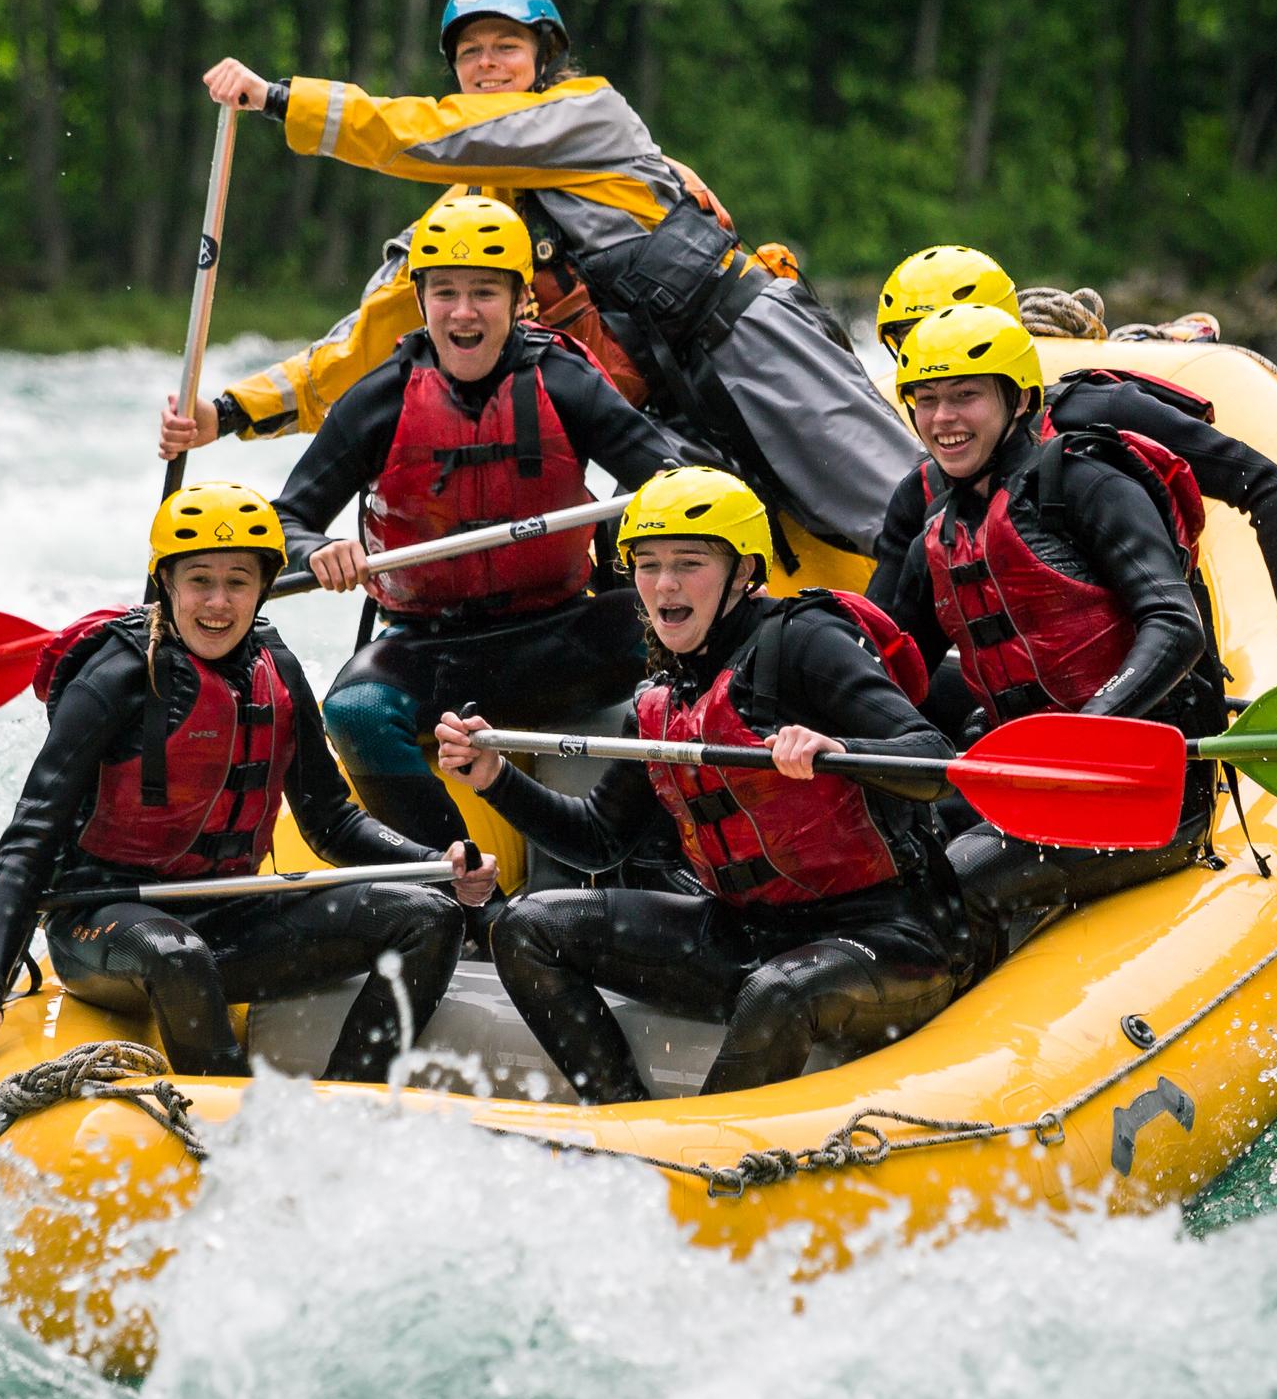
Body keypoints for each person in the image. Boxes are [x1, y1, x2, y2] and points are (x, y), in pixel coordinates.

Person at [159, 0, 917, 556]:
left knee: (889, 506)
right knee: (697, 548)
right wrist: (226, 413)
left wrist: (280, 99)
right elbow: (369, 337)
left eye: (506, 49)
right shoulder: (469, 216)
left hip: (745, 338)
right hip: (664, 407)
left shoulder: (590, 114)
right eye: (471, 54)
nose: (487, 66)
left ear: (543, 59)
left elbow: (416, 133)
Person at [433, 467, 968, 1105]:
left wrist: (842, 750)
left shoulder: (806, 641)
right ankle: (623, 1122)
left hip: (887, 936)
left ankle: (700, 1165)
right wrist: (495, 778)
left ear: (744, 572)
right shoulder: (661, 697)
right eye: (647, 563)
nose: (664, 584)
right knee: (528, 926)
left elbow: (933, 760)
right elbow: (600, 840)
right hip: (745, 932)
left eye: (690, 563)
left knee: (777, 991)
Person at [0, 484, 494, 1085]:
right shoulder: (117, 678)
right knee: (177, 955)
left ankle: (349, 1107)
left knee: (429, 916)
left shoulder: (277, 670)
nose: (217, 602)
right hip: (105, 923)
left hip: (229, 913)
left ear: (262, 587)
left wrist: (433, 863)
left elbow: (330, 819)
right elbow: (31, 838)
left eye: (237, 580)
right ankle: (236, 1136)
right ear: (167, 585)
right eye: (198, 580)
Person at [268, 193, 704, 849]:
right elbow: (285, 521)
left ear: (519, 299)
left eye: (484, 293)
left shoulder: (566, 383)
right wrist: (319, 549)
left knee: (694, 647)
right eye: (445, 292)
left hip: (565, 634)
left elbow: (675, 481)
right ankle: (457, 882)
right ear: (420, 302)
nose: (464, 312)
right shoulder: (379, 402)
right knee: (354, 710)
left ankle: (659, 857)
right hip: (429, 649)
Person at [876, 303, 1224, 950]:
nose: (943, 419)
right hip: (1026, 784)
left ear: (1018, 401)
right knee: (893, 856)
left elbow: (1175, 626)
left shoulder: (1087, 484)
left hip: (1146, 794)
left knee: (951, 882)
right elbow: (893, 678)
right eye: (925, 400)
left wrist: (1087, 731)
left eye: (965, 396)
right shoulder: (939, 533)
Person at [868, 246, 1277, 686]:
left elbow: (1264, 484)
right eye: (912, 344)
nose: (932, 355)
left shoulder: (1101, 415)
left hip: (1148, 691)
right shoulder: (924, 498)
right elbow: (881, 644)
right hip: (1014, 713)